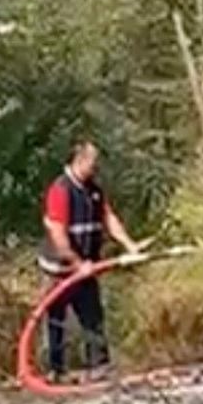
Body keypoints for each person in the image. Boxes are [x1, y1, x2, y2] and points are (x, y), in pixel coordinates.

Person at [38, 140, 144, 382]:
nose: (97, 167)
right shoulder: (60, 191)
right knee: (55, 321)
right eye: (93, 162)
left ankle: (99, 368)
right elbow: (59, 237)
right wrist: (78, 265)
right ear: (80, 161)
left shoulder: (94, 190)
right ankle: (56, 372)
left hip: (87, 267)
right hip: (59, 271)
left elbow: (108, 219)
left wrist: (130, 245)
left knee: (93, 317)